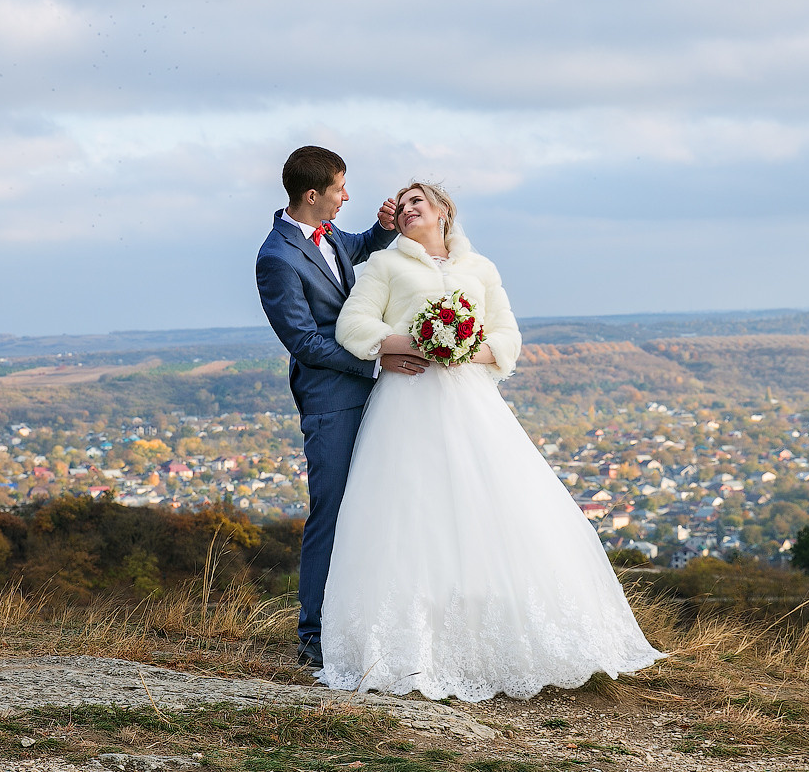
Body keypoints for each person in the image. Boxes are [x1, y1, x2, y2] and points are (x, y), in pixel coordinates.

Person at [321, 180, 662, 701]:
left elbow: (507, 336)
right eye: (403, 203)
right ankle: (410, 648)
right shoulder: (385, 266)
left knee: (494, 507)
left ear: (443, 212)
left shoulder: (480, 270)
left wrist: (462, 349)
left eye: (419, 201)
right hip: (406, 401)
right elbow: (353, 325)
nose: (409, 209)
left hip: (471, 400)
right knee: (412, 513)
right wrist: (416, 343)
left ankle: (496, 639)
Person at [254, 146, 409, 669]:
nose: (347, 197)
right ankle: (313, 637)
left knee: (376, 509)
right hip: (330, 399)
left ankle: (369, 625)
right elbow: (304, 342)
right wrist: (377, 358)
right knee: (333, 512)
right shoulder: (275, 258)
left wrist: (383, 228)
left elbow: (361, 246)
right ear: (313, 194)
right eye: (341, 189)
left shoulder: (330, 234)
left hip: (374, 391)